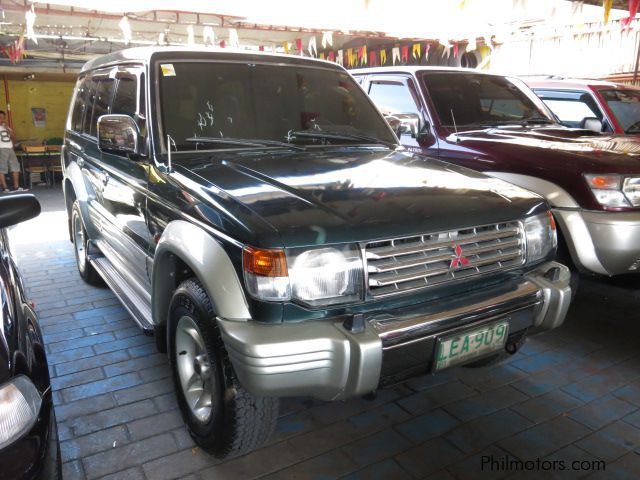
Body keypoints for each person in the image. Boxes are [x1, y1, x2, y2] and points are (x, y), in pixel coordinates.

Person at [0, 110, 27, 193]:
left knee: (15, 167)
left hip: (10, 148)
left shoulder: (7, 127)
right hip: (1, 148)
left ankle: (16, 186)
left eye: (3, 117)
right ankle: (5, 187)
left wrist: (7, 129)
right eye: (0, 118)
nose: (2, 119)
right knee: (2, 168)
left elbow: (14, 138)